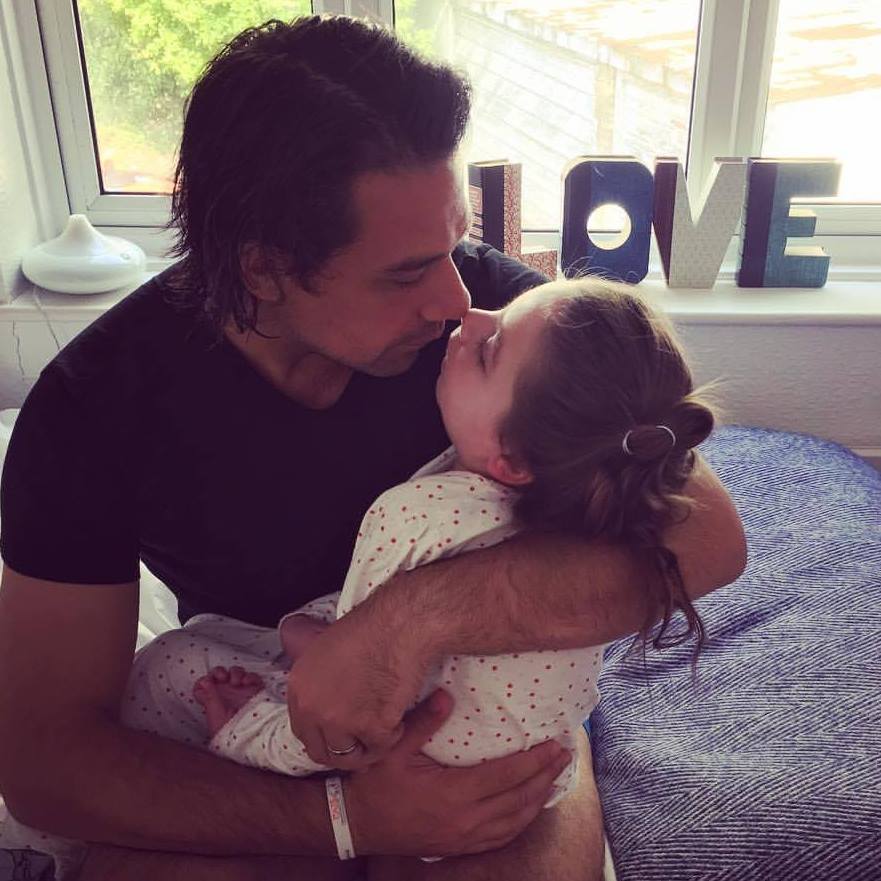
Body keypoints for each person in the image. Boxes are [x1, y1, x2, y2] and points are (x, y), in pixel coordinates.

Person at [0, 14, 746, 881]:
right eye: (404, 272)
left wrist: (402, 625)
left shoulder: (500, 329)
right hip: (252, 704)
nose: (456, 300)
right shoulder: (95, 408)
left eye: (454, 243)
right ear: (261, 269)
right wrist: (343, 820)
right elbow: (44, 761)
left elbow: (708, 540)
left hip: (482, 712)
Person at [120, 277, 714, 841]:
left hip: (425, 766)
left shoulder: (416, 515)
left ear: (510, 459)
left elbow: (352, 680)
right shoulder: (604, 497)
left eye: (491, 349)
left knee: (173, 663)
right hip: (537, 769)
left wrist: (308, 641)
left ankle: (246, 737)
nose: (470, 312)